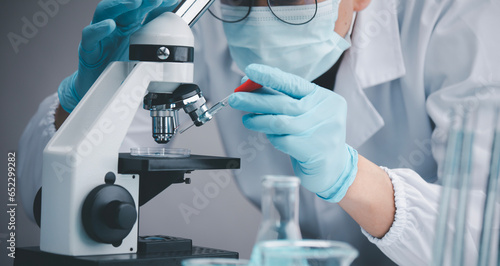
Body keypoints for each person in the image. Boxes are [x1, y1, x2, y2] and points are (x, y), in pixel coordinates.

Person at [17, 0, 500, 265]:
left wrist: (353, 180)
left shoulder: (458, 22)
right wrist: (86, 103)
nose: (260, 16)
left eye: (292, 1)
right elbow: (55, 198)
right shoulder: (204, 19)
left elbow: (485, 241)